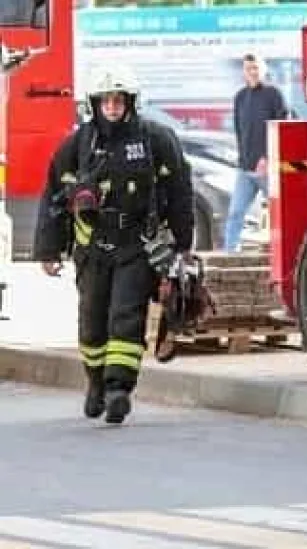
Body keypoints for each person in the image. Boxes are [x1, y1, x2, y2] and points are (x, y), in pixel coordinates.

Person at [32, 64, 194, 425]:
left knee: (126, 315)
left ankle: (119, 389)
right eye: (105, 101)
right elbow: (54, 194)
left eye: (118, 100)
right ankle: (95, 383)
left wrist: (183, 244)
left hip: (136, 246)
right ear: (94, 104)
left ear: (131, 102)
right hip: (92, 247)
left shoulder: (156, 139)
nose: (112, 107)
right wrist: (48, 249)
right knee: (92, 322)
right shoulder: (80, 143)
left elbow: (180, 191)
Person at [224, 53, 289, 252]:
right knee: (236, 212)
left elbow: (282, 128)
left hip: (268, 168)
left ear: (263, 70)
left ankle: (282, 252)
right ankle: (230, 253)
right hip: (245, 169)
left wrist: (268, 158)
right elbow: (239, 130)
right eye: (248, 68)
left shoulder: (274, 95)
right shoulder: (240, 97)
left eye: (255, 68)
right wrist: (241, 157)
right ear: (243, 72)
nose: (252, 72)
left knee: (279, 214)